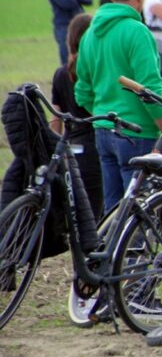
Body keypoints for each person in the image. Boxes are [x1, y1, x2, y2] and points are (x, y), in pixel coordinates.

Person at [75, 0, 162, 212]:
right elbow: (149, 89)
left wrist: (105, 111)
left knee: (113, 212)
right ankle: (134, 252)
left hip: (103, 130)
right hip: (137, 134)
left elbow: (82, 92)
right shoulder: (138, 32)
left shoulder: (89, 35)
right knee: (138, 214)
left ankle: (115, 251)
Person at [49, 13, 103, 218]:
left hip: (71, 149)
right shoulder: (93, 72)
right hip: (93, 146)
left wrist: (57, 148)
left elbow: (57, 118)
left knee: (79, 215)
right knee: (99, 213)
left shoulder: (60, 73)